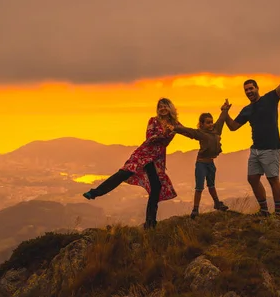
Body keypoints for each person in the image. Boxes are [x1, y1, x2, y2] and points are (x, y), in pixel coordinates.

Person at [222, 55, 280, 216]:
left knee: (273, 179)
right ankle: (264, 210)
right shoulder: (247, 110)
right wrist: (225, 113)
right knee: (252, 178)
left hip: (271, 148)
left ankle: (278, 214)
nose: (249, 92)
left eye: (251, 88)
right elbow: (233, 127)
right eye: (246, 90)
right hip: (256, 149)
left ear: (257, 88)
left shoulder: (270, 98)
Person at [83, 98, 180, 229]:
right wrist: (165, 132)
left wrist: (205, 133)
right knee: (124, 173)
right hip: (144, 154)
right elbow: (150, 138)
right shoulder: (153, 121)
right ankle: (95, 192)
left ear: (170, 108)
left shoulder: (175, 124)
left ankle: (150, 223)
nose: (162, 109)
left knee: (156, 187)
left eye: (165, 106)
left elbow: (189, 132)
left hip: (156, 159)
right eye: (160, 107)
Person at [167, 105, 230, 219]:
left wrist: (225, 110)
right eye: (207, 123)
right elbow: (188, 131)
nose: (210, 124)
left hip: (211, 163)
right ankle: (195, 209)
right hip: (201, 163)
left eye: (211, 122)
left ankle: (217, 203)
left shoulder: (216, 130)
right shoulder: (200, 133)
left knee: (211, 185)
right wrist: (175, 128)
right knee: (199, 187)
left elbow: (221, 119)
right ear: (202, 124)